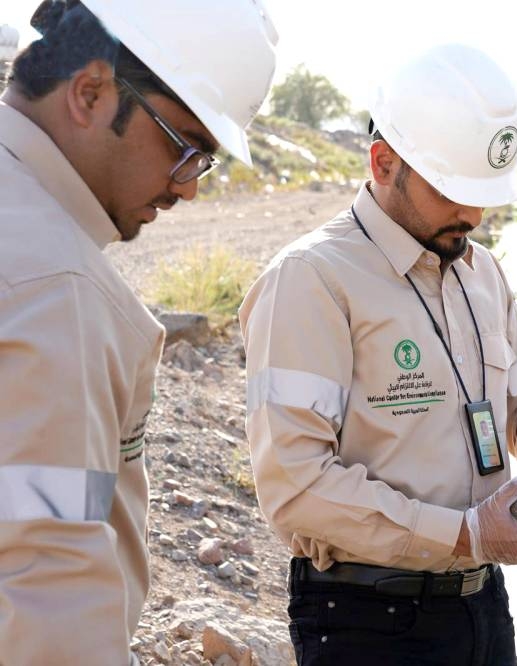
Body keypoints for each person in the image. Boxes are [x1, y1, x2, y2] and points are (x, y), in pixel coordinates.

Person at [241, 44, 517, 665]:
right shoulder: (311, 280)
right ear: (382, 163)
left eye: (485, 192)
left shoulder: (481, 272)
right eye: (452, 190)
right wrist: (467, 533)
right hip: (368, 621)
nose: (473, 214)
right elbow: (295, 484)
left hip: (482, 605)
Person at [0, 1, 278, 663]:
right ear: (92, 91)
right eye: (185, 148)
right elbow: (49, 595)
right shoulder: (58, 290)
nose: (188, 191)